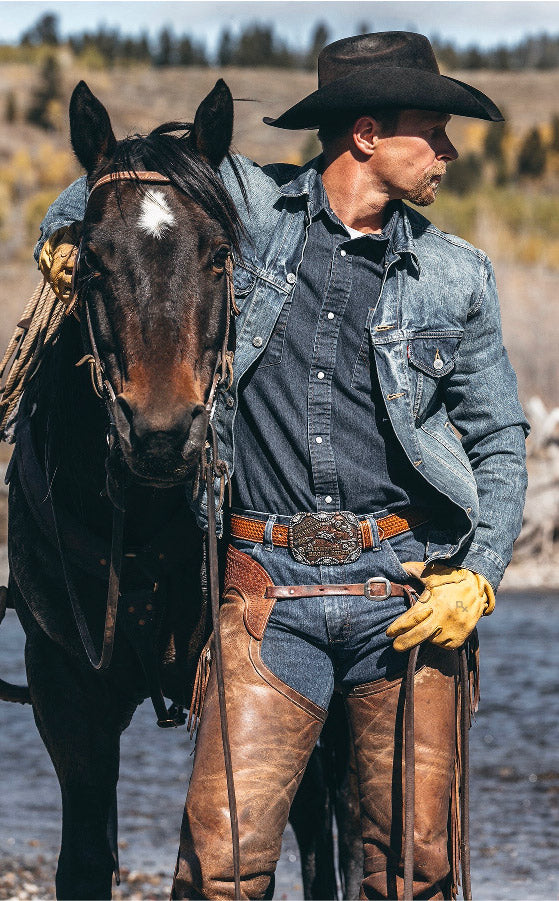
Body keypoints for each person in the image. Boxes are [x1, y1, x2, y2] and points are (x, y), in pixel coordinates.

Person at [36, 32, 528, 900]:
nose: (449, 151)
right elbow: (119, 183)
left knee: (412, 872)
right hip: (266, 594)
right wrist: (58, 229)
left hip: (402, 593)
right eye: (434, 129)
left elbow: (498, 440)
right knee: (218, 871)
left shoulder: (459, 276)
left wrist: (479, 575)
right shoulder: (252, 210)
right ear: (366, 133)